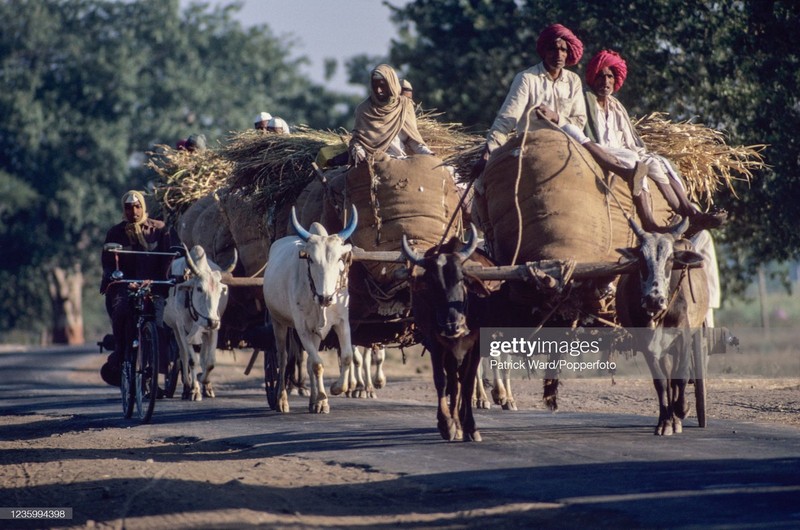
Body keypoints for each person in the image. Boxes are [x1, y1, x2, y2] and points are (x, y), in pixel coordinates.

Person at [564, 49, 725, 234]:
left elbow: (629, 139)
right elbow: (574, 124)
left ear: (616, 80)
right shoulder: (585, 100)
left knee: (658, 163)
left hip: (624, 149)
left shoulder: (616, 106)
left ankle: (689, 211)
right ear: (593, 77)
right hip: (601, 149)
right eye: (601, 77)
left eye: (610, 77)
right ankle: (648, 221)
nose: (606, 82)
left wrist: (642, 152)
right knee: (636, 163)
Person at [473, 23, 586, 178]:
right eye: (553, 49)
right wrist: (489, 152)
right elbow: (507, 119)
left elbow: (580, 122)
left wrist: (556, 117)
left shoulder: (574, 81)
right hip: (532, 147)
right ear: (544, 51)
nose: (559, 54)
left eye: (563, 50)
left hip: (566, 148)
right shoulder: (527, 78)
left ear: (568, 53)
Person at [99, 190, 173, 386]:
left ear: (143, 207)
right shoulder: (115, 232)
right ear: (124, 209)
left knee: (158, 325)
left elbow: (168, 260)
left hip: (154, 286)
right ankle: (122, 356)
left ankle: (156, 371)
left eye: (137, 206)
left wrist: (162, 279)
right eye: (129, 207)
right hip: (125, 286)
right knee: (122, 312)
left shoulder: (159, 229)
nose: (134, 211)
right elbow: (107, 262)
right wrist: (116, 277)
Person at [349, 64, 433, 164]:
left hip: (399, 161)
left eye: (382, 85)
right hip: (373, 162)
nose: (378, 90)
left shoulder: (405, 106)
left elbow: (412, 139)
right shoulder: (363, 110)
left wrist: (427, 153)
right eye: (375, 86)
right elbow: (358, 140)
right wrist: (358, 151)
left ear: (391, 84)